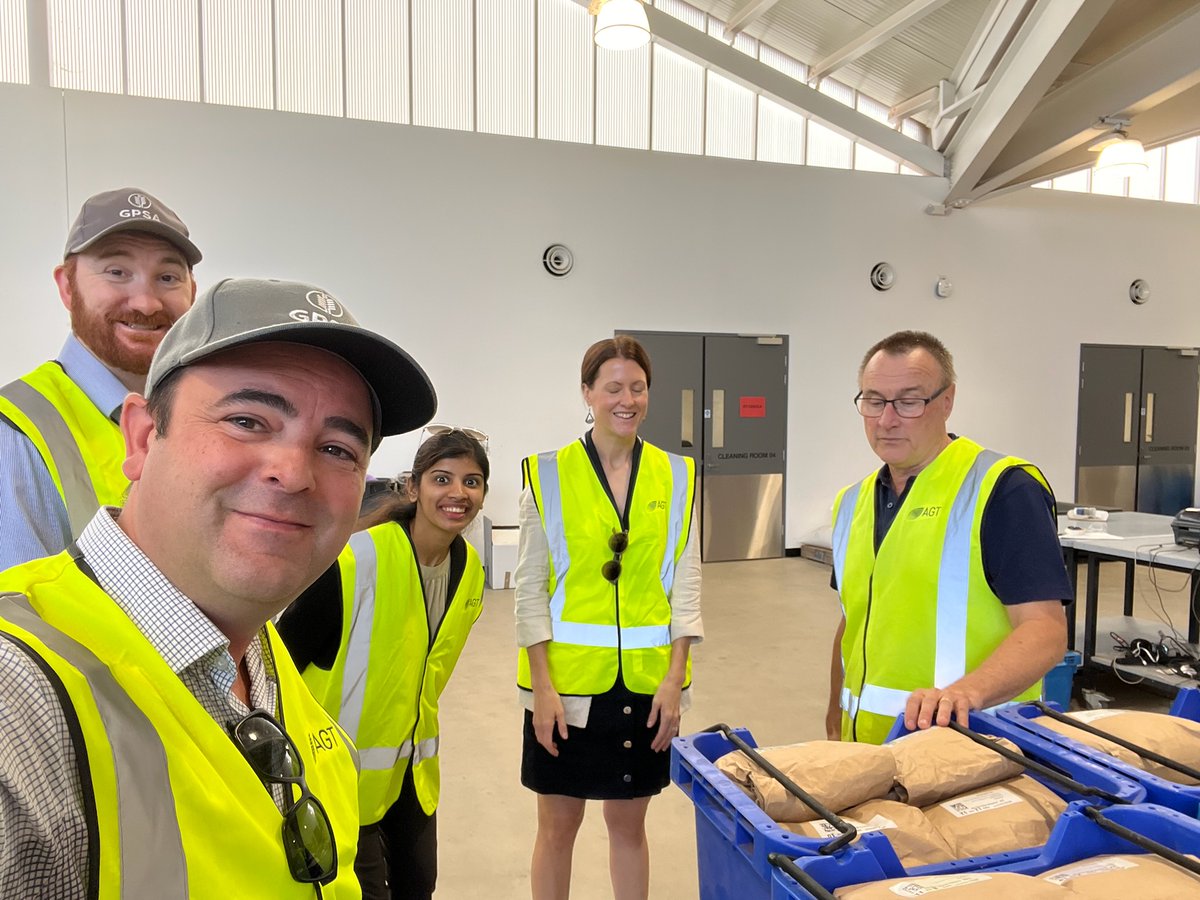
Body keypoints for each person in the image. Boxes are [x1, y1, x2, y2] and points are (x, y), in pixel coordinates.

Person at [0, 276, 437, 898]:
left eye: (338, 448)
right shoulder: (20, 705)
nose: (293, 473)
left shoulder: (260, 658)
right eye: (247, 420)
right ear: (144, 438)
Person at [515, 335, 702, 900]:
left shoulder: (678, 474)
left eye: (638, 387)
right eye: (613, 387)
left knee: (629, 828)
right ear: (588, 393)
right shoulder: (547, 473)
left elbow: (686, 584)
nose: (627, 399)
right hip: (564, 690)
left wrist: (676, 680)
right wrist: (541, 687)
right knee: (557, 829)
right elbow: (530, 589)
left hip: (647, 686)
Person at [827, 330, 1071, 746]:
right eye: (873, 401)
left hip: (968, 743)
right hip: (867, 748)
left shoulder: (1001, 489)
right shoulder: (852, 503)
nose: (887, 420)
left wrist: (966, 694)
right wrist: (834, 715)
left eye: (908, 401)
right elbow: (855, 618)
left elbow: (1046, 631)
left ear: (947, 401)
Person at [278, 426, 491, 900]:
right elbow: (278, 658)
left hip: (412, 770)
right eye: (443, 479)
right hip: (339, 775)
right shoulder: (355, 561)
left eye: (472, 482)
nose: (458, 493)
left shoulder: (470, 569)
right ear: (413, 488)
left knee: (419, 886)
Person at [0, 187, 202, 570]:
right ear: (67, 286)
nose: (146, 302)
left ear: (193, 292)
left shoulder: (200, 418)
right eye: (117, 272)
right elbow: (14, 619)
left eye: (168, 276)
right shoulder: (14, 432)